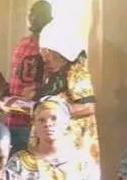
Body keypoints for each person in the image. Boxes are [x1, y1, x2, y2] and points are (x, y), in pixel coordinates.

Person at [38, 20, 100, 161]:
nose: (44, 57)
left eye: (46, 51)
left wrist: (56, 111)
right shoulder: (57, 73)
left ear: (59, 51)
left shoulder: (76, 72)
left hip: (73, 150)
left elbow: (90, 106)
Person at [7, 0, 53, 152]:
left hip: (33, 122)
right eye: (32, 14)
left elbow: (51, 83)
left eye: (39, 15)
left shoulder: (49, 48)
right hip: (13, 116)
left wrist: (38, 93)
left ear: (49, 19)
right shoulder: (23, 43)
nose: (33, 18)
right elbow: (15, 77)